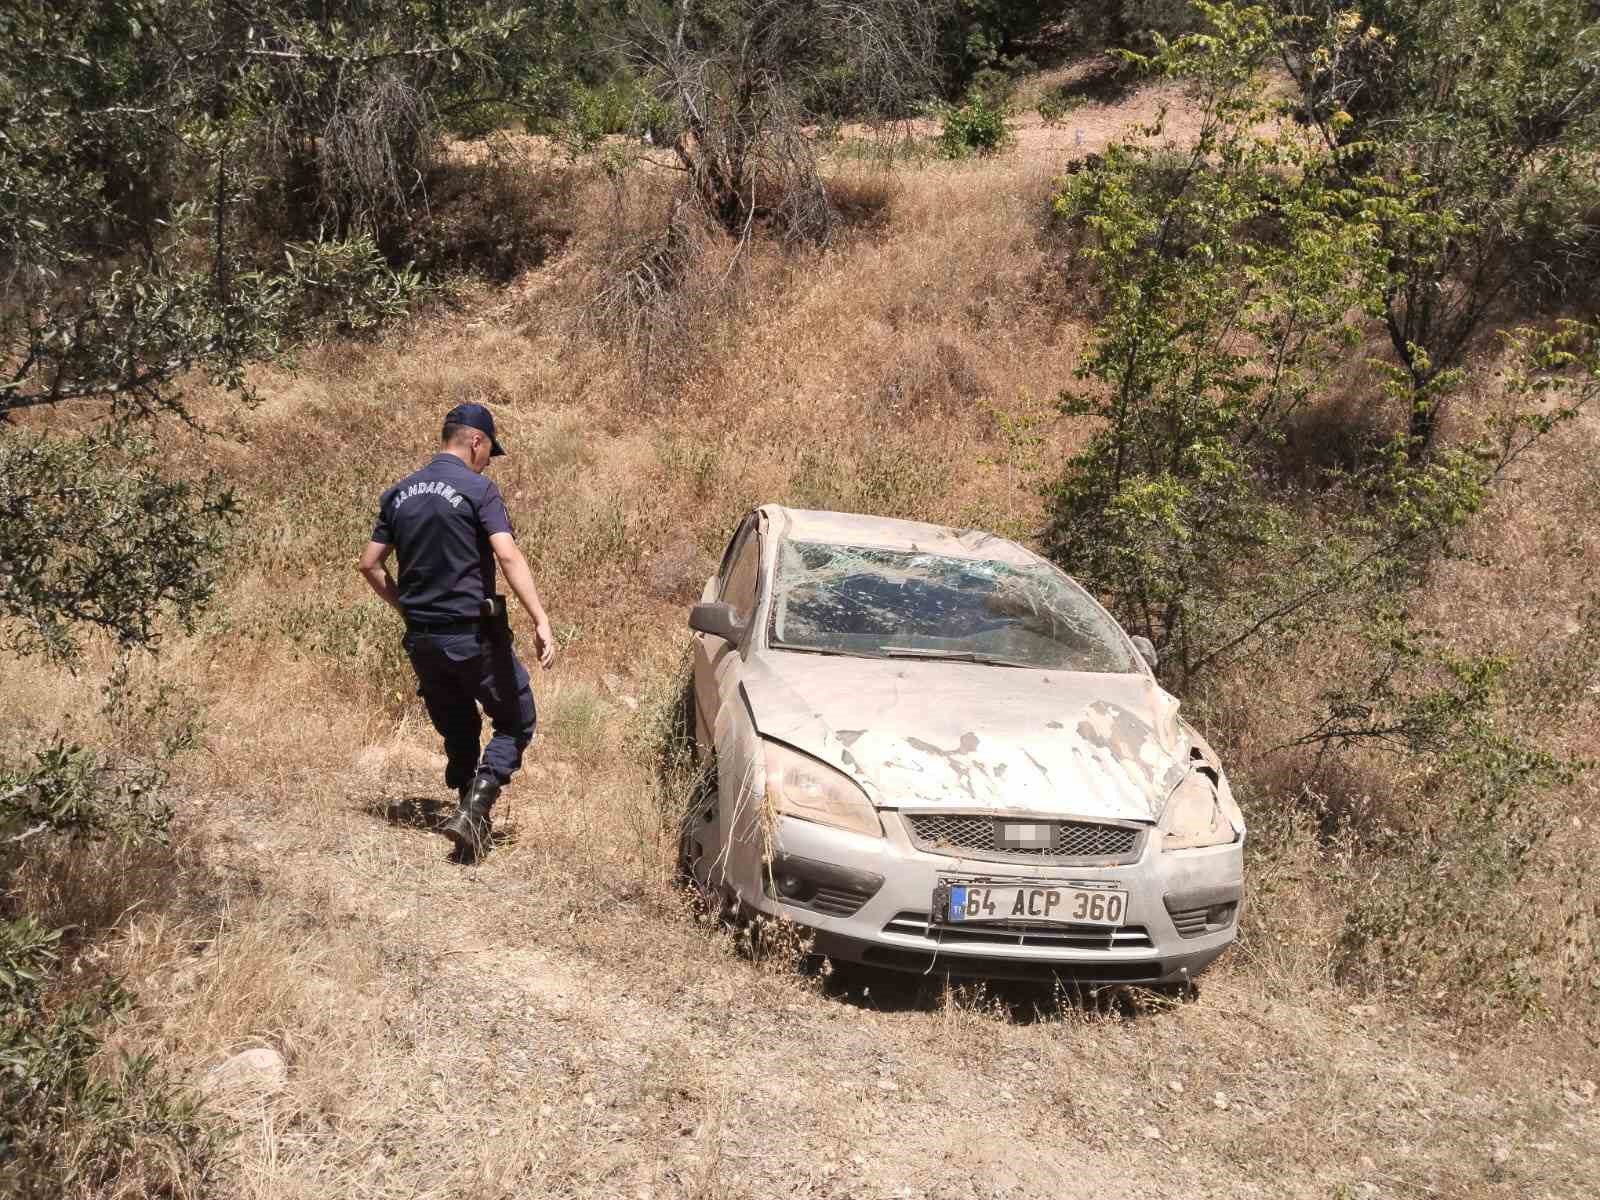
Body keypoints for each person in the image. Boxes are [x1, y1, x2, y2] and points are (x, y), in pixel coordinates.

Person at [358, 403, 556, 860]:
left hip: (423, 638)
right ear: (475, 441)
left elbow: (369, 564)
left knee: (460, 727)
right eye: (489, 451)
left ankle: (470, 822)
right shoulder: (478, 489)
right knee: (516, 719)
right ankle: (479, 802)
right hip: (473, 634)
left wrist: (408, 608)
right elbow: (507, 556)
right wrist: (540, 618)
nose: (488, 460)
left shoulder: (398, 493)